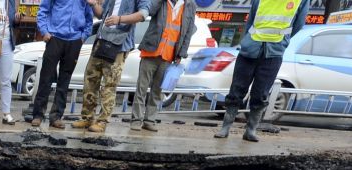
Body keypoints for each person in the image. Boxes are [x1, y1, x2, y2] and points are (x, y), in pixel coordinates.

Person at [215, 0, 307, 141]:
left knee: (261, 93)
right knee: (237, 90)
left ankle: (251, 130)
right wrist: (246, 41)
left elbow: (298, 25)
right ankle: (225, 128)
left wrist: (282, 40)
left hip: (274, 52)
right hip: (250, 48)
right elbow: (251, 20)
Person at [71, 0, 148, 133]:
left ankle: (102, 121)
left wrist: (119, 19)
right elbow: (102, 14)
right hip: (101, 40)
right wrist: (94, 4)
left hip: (119, 44)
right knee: (90, 80)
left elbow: (142, 15)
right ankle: (87, 117)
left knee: (109, 85)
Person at [130, 0, 196, 132]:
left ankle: (149, 121)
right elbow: (150, 10)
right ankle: (136, 120)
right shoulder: (162, 2)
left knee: (157, 92)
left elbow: (188, 31)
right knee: (141, 89)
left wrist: (181, 53)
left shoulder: (190, 5)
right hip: (150, 51)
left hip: (168, 56)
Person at [29, 0, 96, 129]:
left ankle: (56, 116)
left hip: (75, 41)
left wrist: (83, 36)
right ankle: (38, 115)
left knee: (64, 82)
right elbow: (43, 11)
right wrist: (44, 31)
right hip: (54, 38)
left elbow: (89, 17)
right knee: (46, 78)